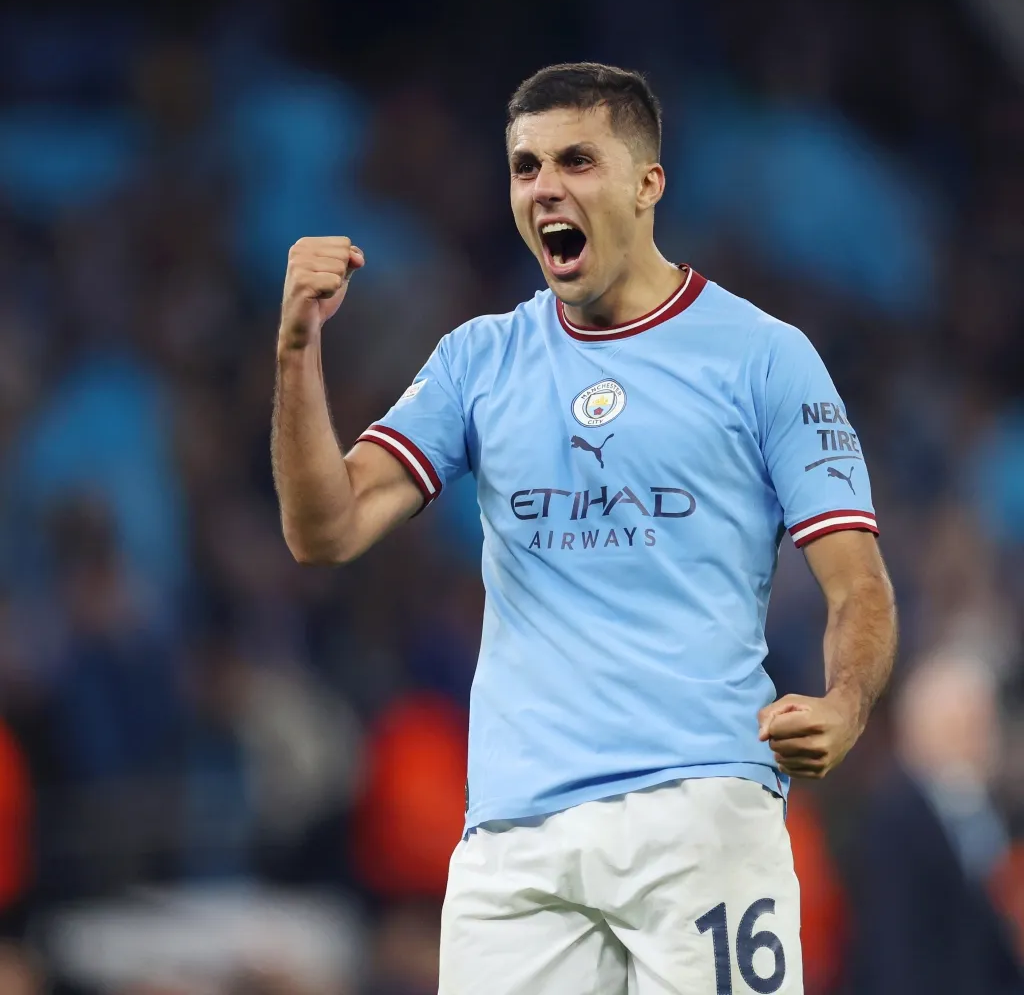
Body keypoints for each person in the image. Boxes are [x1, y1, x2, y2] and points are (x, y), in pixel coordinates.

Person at [271, 63, 898, 995]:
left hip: (699, 811)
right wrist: (296, 353)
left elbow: (859, 583)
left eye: (576, 161)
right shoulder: (478, 360)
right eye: (525, 167)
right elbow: (325, 531)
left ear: (648, 183)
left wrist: (846, 702)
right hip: (515, 838)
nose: (546, 188)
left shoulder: (764, 358)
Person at [847, 652, 1024, 994]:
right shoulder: (896, 819)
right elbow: (894, 949)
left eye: (982, 726)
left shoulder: (982, 812)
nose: (980, 743)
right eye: (963, 728)